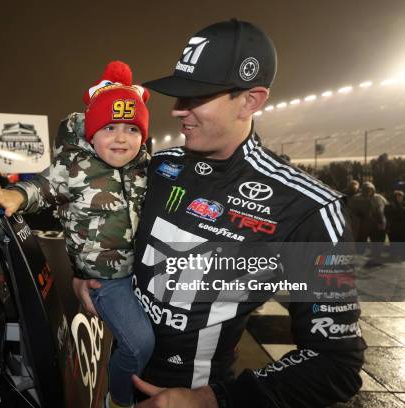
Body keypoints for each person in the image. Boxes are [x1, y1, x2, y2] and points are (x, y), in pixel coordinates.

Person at [73, 19, 366, 408]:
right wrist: (83, 272)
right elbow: (87, 212)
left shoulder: (307, 207)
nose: (177, 111)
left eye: (196, 97)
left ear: (251, 100)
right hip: (106, 378)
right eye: (179, 96)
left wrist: (210, 399)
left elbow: (336, 362)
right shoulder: (152, 168)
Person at [0, 61, 154, 408]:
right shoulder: (74, 166)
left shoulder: (146, 166)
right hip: (105, 280)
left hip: (145, 274)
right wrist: (14, 196)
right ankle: (120, 399)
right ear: (91, 133)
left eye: (132, 129)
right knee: (139, 344)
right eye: (110, 127)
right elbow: (41, 187)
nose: (122, 138)